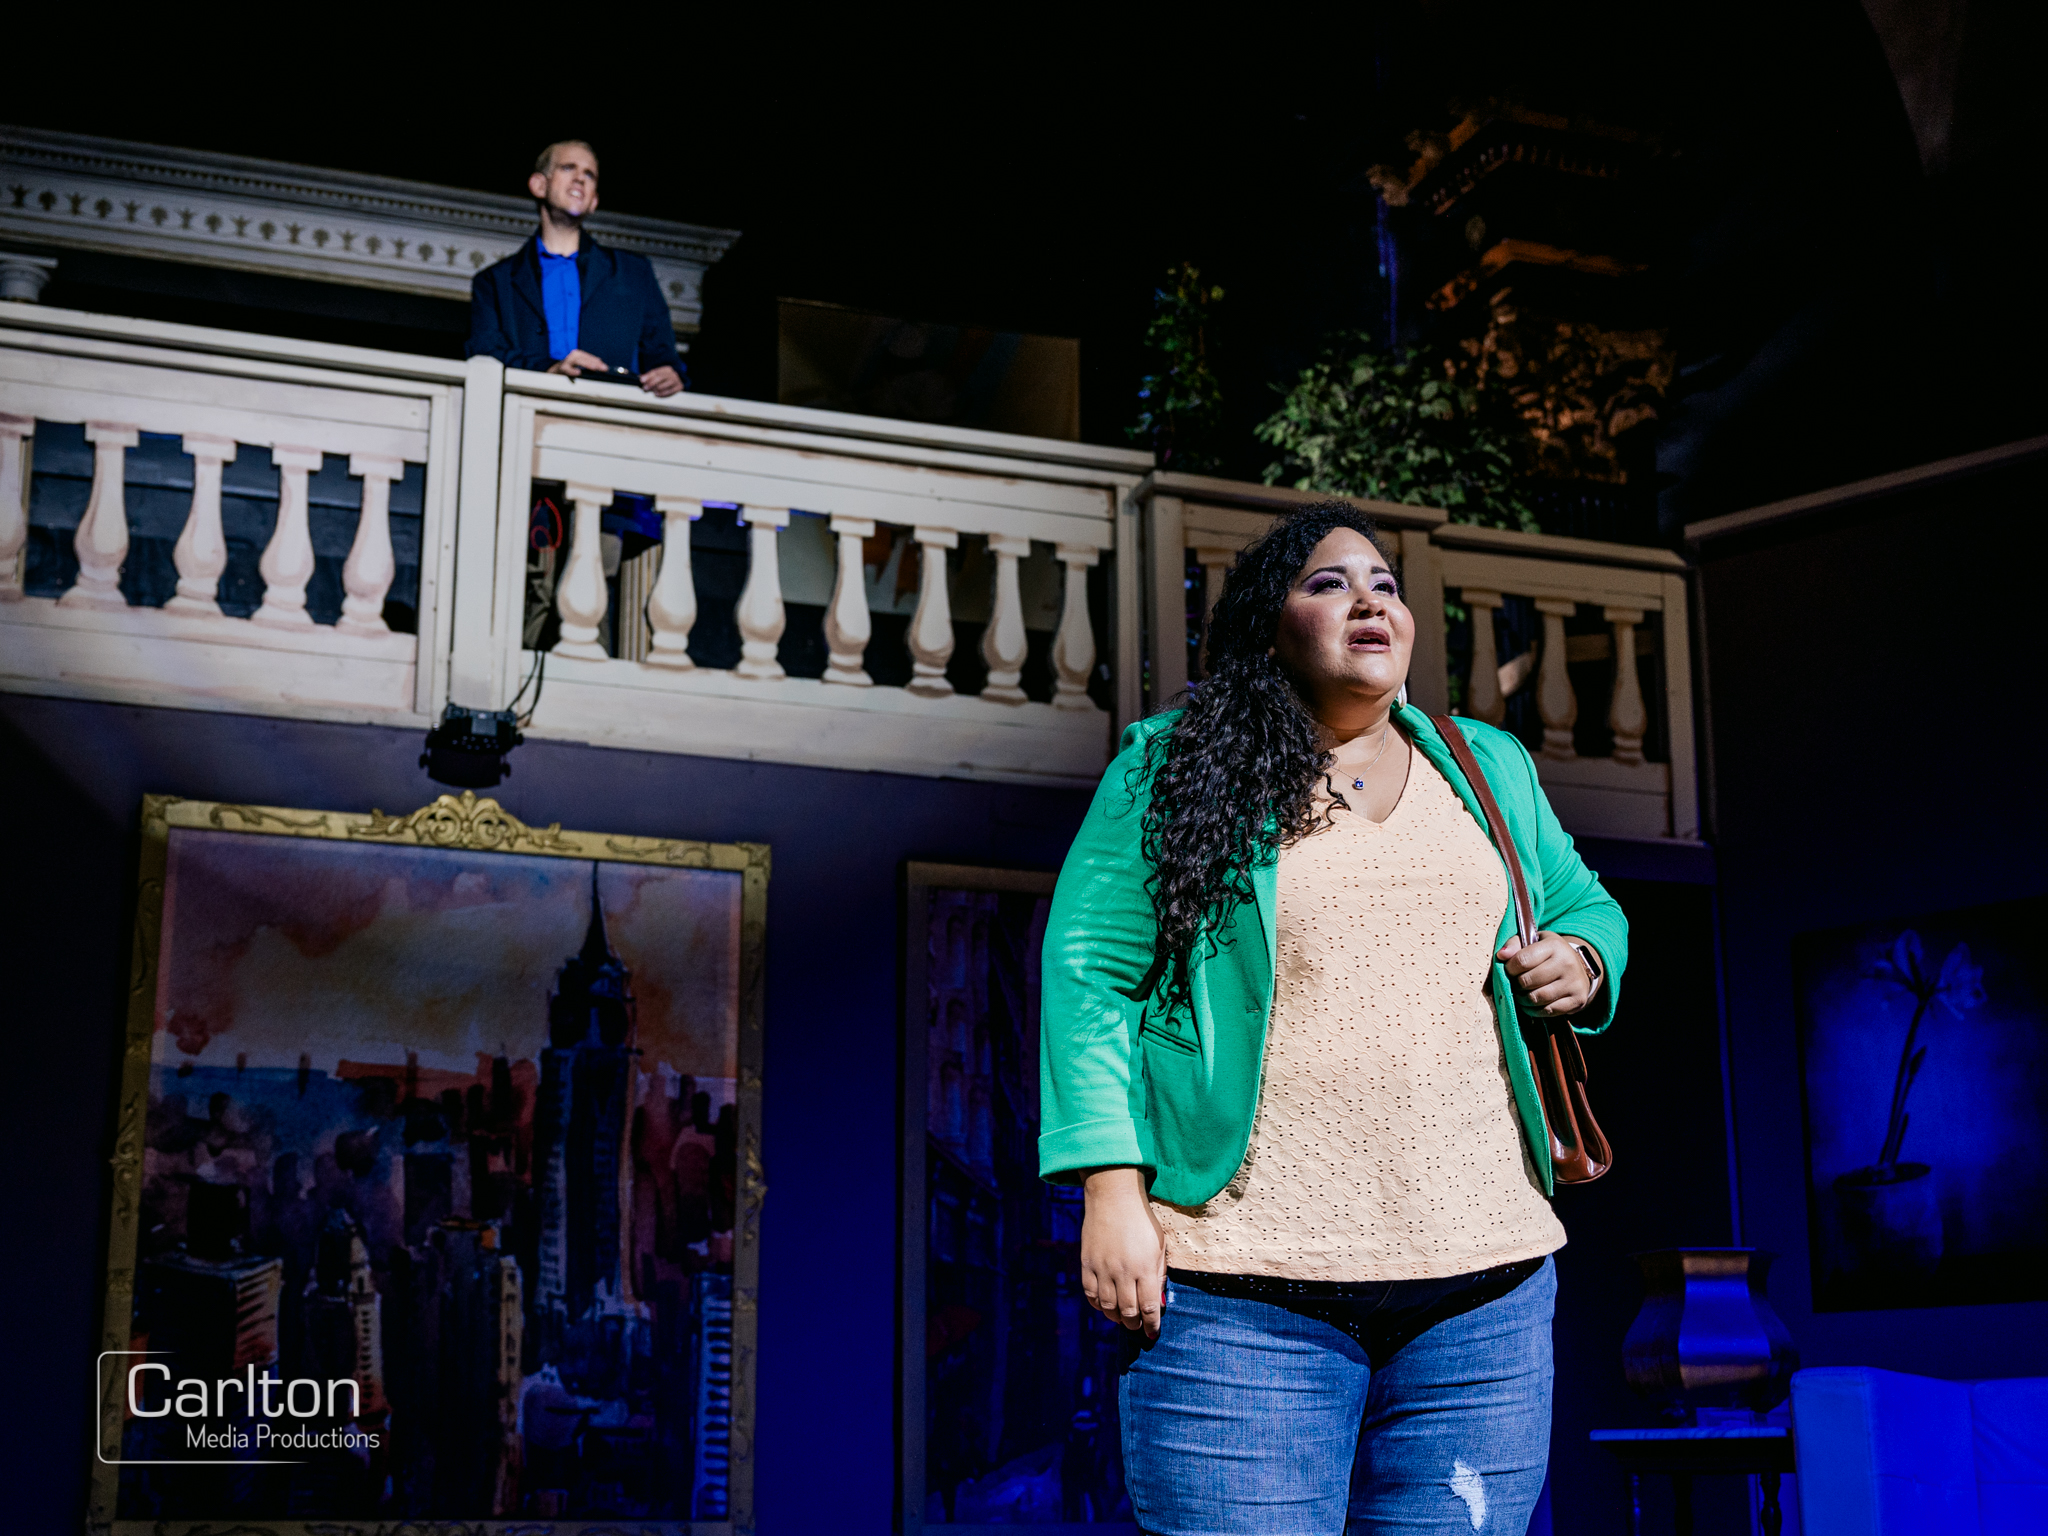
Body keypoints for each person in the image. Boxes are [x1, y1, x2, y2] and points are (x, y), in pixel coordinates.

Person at [1039, 502, 1628, 1535]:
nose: (1367, 600)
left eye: (1383, 586)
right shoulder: (1171, 763)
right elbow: (1090, 976)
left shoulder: (1485, 764)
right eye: (1328, 583)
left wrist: (1580, 960)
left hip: (1480, 1294)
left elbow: (1585, 905)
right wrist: (1110, 1187)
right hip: (1237, 1291)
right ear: (1269, 626)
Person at [466, 140, 685, 397]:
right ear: (539, 185)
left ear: (594, 201)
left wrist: (670, 374)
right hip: (526, 408)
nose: (580, 178)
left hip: (611, 409)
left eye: (589, 175)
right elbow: (485, 353)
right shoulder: (494, 282)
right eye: (568, 168)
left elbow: (662, 356)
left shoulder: (634, 273)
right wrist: (550, 369)